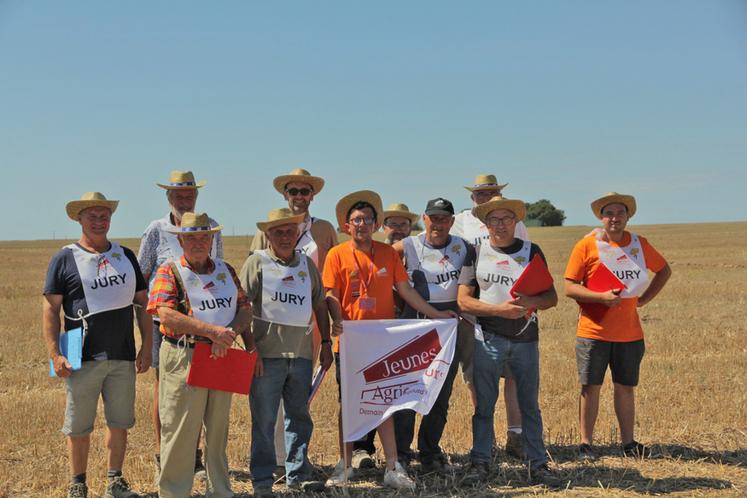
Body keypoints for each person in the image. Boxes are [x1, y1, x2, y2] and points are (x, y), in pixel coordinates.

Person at [322, 190, 456, 490]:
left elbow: (406, 291)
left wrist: (436, 315)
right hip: (351, 341)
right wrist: (336, 319)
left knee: (386, 402)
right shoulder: (336, 255)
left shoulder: (387, 253)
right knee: (349, 404)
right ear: (347, 226)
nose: (362, 225)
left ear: (375, 224)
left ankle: (393, 466)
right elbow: (329, 293)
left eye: (368, 219)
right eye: (356, 220)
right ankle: (344, 464)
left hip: (383, 342)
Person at [43, 192, 152, 498]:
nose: (99, 221)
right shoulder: (64, 258)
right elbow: (51, 309)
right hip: (80, 351)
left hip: (122, 352)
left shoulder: (126, 256)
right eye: (92, 216)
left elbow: (142, 304)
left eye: (104, 216)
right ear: (79, 219)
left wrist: (146, 347)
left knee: (119, 422)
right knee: (78, 425)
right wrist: (56, 354)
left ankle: (114, 481)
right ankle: (77, 484)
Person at [457, 195, 561, 487]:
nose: (500, 225)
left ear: (516, 221)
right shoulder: (475, 253)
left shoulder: (532, 251)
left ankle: (538, 464)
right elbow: (463, 301)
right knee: (484, 406)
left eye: (506, 219)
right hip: (487, 339)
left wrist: (531, 301)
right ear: (485, 223)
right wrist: (498, 310)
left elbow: (551, 298)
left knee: (529, 405)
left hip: (526, 340)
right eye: (494, 220)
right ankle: (480, 462)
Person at [147, 212, 252, 498]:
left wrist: (227, 333)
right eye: (191, 237)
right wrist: (212, 332)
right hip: (184, 355)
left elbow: (245, 308)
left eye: (204, 237)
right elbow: (165, 314)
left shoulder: (226, 270)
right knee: (181, 429)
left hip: (221, 355)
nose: (198, 242)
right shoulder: (169, 271)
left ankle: (220, 490)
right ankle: (174, 492)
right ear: (180, 240)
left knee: (218, 429)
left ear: (212, 239)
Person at [564, 192, 671, 460]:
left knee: (625, 387)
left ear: (628, 216)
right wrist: (600, 298)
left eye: (620, 212)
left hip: (630, 333)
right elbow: (569, 287)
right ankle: (586, 444)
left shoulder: (639, 244)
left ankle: (628, 443)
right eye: (609, 213)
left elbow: (664, 270)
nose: (615, 218)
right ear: (601, 217)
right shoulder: (586, 246)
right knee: (591, 387)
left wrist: (644, 300)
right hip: (593, 331)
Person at [247, 168, 338, 472]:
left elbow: (331, 273)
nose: (299, 196)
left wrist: (328, 335)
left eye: (304, 191)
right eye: (293, 191)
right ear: (285, 195)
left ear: (313, 195)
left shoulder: (324, 229)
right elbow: (254, 280)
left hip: (310, 320)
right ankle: (271, 461)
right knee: (268, 401)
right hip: (271, 328)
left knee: (298, 399)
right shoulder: (266, 230)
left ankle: (296, 463)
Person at [138, 170, 222, 478]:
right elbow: (142, 276)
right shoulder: (156, 229)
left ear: (196, 197)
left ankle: (196, 456)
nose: (185, 201)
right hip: (167, 327)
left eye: (190, 195)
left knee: (203, 389)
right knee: (167, 392)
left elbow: (219, 271)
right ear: (169, 198)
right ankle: (166, 454)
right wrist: (148, 326)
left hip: (206, 324)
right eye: (179, 196)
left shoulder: (211, 226)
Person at [391, 198, 474, 472]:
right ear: (424, 219)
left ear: (451, 221)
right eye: (433, 218)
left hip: (448, 328)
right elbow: (380, 259)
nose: (438, 223)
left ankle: (429, 452)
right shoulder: (409, 245)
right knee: (408, 392)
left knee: (440, 393)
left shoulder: (463, 247)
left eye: (444, 219)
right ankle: (401, 453)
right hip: (414, 326)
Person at [450, 174, 528, 457]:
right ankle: (487, 439)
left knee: (514, 377)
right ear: (473, 198)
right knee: (476, 378)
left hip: (509, 311)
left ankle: (516, 435)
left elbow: (525, 261)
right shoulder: (461, 222)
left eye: (492, 192)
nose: (487, 197)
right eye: (481, 194)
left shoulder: (514, 222)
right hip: (474, 312)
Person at [351, 201, 418, 469]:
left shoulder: (414, 252)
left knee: (395, 393)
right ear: (384, 226)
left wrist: (436, 316)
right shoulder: (373, 253)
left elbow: (408, 292)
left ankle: (399, 452)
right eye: (393, 224)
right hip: (362, 334)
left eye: (404, 224)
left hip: (397, 334)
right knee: (360, 394)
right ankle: (360, 450)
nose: (398, 229)